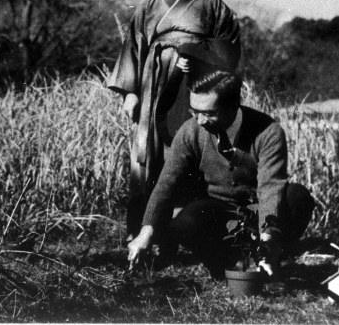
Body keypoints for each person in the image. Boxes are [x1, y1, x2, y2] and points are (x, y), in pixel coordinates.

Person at [108, 0, 241, 238]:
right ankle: (140, 232)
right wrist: (130, 92)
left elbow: (229, 50)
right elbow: (134, 46)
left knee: (188, 153)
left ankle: (183, 233)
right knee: (146, 156)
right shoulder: (149, 7)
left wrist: (199, 58)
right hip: (151, 87)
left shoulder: (213, 6)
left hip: (194, 90)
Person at [126, 70, 315, 279]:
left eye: (209, 113)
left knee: (297, 196)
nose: (200, 120)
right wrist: (146, 233)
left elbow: (271, 187)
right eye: (194, 111)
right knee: (186, 222)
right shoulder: (190, 131)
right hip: (218, 211)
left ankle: (273, 257)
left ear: (233, 106)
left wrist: (268, 237)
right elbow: (166, 184)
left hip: (258, 209)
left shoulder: (268, 131)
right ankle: (224, 265)